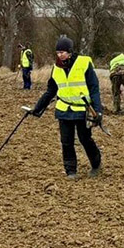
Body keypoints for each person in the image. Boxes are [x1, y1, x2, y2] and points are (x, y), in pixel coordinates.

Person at [30, 35, 103, 180]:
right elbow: (51, 91)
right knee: (66, 141)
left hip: (82, 110)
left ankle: (96, 164)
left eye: (62, 52)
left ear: (70, 52)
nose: (60, 55)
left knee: (85, 139)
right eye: (57, 53)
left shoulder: (83, 63)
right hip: (63, 110)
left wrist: (98, 110)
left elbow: (94, 88)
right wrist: (38, 108)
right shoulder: (56, 68)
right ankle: (71, 171)